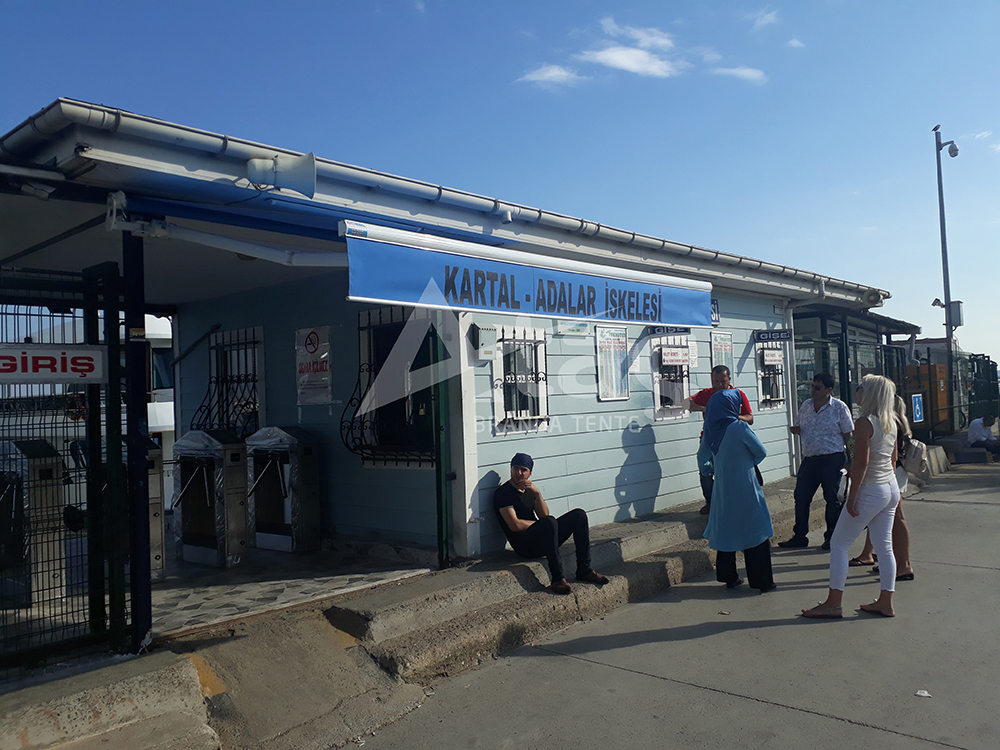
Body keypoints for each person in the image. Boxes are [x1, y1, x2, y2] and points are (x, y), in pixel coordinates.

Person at [802, 374, 900, 619]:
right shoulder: (891, 421)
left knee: (839, 544)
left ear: (869, 393)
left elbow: (861, 463)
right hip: (889, 487)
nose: (857, 391)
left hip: (870, 488)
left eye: (860, 387)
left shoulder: (865, 422)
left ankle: (833, 603)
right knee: (884, 546)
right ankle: (886, 601)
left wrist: (852, 495)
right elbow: (893, 458)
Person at [493, 453, 609, 595]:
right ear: (511, 469)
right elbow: (515, 525)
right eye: (515, 468)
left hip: (542, 540)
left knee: (579, 515)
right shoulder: (503, 493)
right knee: (549, 522)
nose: (519, 473)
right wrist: (542, 525)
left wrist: (537, 493)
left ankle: (584, 570)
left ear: (530, 473)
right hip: (524, 546)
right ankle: (557, 579)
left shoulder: (529, 490)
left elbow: (544, 515)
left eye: (523, 470)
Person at [702, 389, 776, 593]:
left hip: (722, 487)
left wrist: (715, 469)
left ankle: (728, 576)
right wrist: (746, 461)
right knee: (755, 529)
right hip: (745, 484)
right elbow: (761, 451)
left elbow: (702, 460)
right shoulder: (739, 427)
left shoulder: (710, 430)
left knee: (726, 528)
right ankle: (762, 581)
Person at [778, 373, 854, 550]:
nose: (813, 390)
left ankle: (832, 536)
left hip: (832, 458)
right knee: (801, 497)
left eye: (817, 387)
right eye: (812, 386)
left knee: (832, 498)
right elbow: (801, 426)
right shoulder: (806, 405)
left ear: (829, 390)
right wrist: (797, 430)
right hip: (810, 459)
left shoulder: (839, 407)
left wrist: (851, 460)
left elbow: (848, 435)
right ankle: (799, 536)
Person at [849, 394, 915, 581]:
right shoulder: (894, 422)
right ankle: (878, 557)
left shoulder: (883, 422)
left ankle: (902, 565)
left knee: (896, 519)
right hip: (892, 473)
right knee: (887, 518)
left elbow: (887, 456)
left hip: (887, 474)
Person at [687, 365, 754, 515]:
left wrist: (736, 417)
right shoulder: (708, 394)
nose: (719, 385)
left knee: (726, 471)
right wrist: (706, 408)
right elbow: (686, 403)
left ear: (729, 379)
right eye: (715, 381)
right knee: (704, 469)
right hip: (709, 437)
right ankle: (711, 502)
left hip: (730, 439)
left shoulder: (737, 394)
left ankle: (729, 502)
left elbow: (750, 418)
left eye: (722, 381)